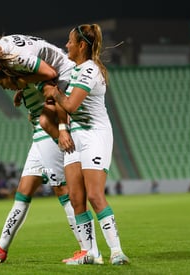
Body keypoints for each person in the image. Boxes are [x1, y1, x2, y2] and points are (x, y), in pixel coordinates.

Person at [0, 34, 86, 263]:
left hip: (61, 92)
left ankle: (87, 249)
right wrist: (22, 88)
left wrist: (60, 127)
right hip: (40, 126)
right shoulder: (8, 59)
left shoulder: (15, 61)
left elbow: (50, 75)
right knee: (23, 191)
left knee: (61, 189)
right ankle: (1, 246)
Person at [43, 24, 130, 265]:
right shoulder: (75, 69)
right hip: (76, 137)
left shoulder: (90, 70)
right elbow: (60, 102)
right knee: (77, 198)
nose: (67, 45)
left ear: (82, 45)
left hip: (96, 136)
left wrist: (54, 92)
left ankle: (117, 252)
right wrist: (62, 127)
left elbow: (70, 105)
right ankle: (91, 254)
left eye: (70, 42)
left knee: (94, 194)